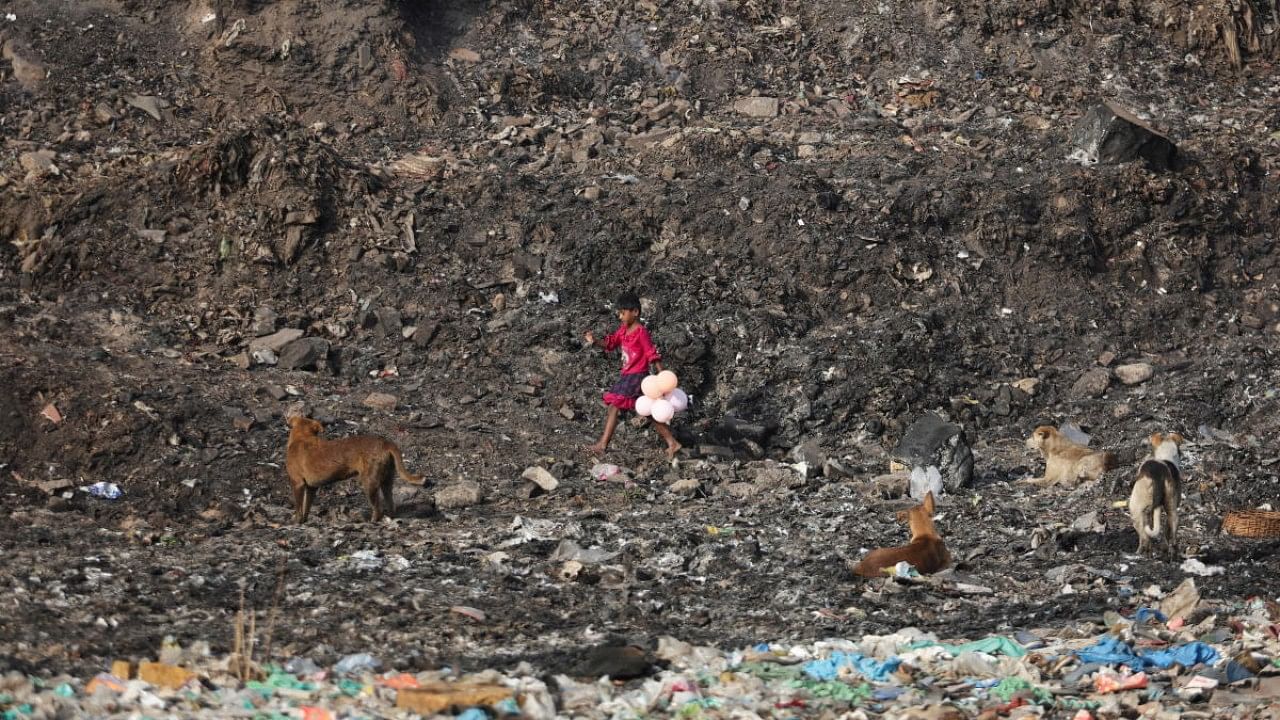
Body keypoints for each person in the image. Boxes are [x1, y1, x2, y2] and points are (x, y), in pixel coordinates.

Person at [584, 292, 682, 458]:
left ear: (635, 312)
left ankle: (602, 444)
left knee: (615, 405)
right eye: (619, 313)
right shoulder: (623, 330)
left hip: (637, 377)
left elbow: (652, 354)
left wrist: (663, 378)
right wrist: (594, 341)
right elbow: (611, 343)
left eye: (623, 312)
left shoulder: (641, 332)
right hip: (628, 376)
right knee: (649, 411)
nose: (620, 316)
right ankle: (673, 443)